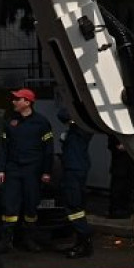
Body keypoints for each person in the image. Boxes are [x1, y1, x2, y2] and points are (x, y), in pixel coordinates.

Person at [0, 88, 53, 253]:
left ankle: (30, 240)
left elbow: (48, 149)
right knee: (9, 206)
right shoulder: (10, 121)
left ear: (27, 102)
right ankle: (6, 241)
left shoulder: (41, 123)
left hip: (32, 171)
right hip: (13, 169)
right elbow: (3, 148)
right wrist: (1, 169)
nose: (13, 102)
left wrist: (46, 171)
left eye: (17, 99)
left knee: (31, 206)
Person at [55, 105, 95, 258]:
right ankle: (81, 241)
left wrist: (73, 106)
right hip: (74, 169)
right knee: (75, 206)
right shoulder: (77, 129)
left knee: (73, 206)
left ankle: (84, 241)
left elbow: (63, 113)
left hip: (74, 170)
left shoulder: (82, 128)